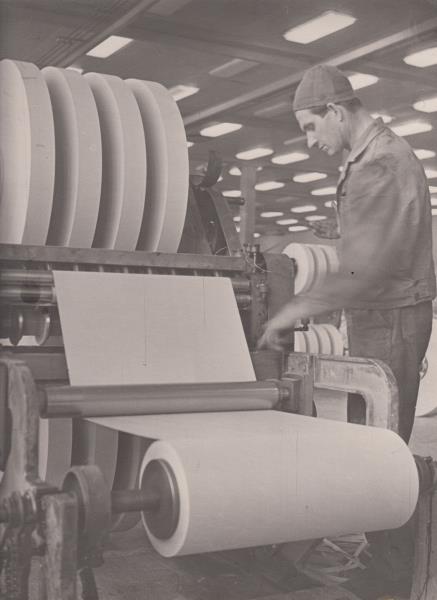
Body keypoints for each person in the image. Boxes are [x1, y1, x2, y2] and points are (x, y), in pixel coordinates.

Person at [258, 64, 436, 443]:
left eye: (310, 127)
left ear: (334, 111)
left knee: (377, 437)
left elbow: (361, 269)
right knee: (369, 426)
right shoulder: (374, 155)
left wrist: (291, 311)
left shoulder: (379, 162)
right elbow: (385, 231)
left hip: (390, 316)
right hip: (385, 313)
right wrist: (341, 230)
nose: (310, 141)